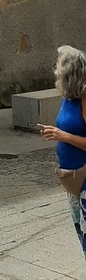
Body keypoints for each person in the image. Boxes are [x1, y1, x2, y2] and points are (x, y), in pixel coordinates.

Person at [41, 45, 86, 260]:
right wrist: (55, 132)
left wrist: (63, 136)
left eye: (58, 64)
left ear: (69, 70)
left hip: (85, 179)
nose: (55, 69)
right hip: (72, 180)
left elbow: (67, 134)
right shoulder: (67, 98)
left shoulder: (84, 99)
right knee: (81, 233)